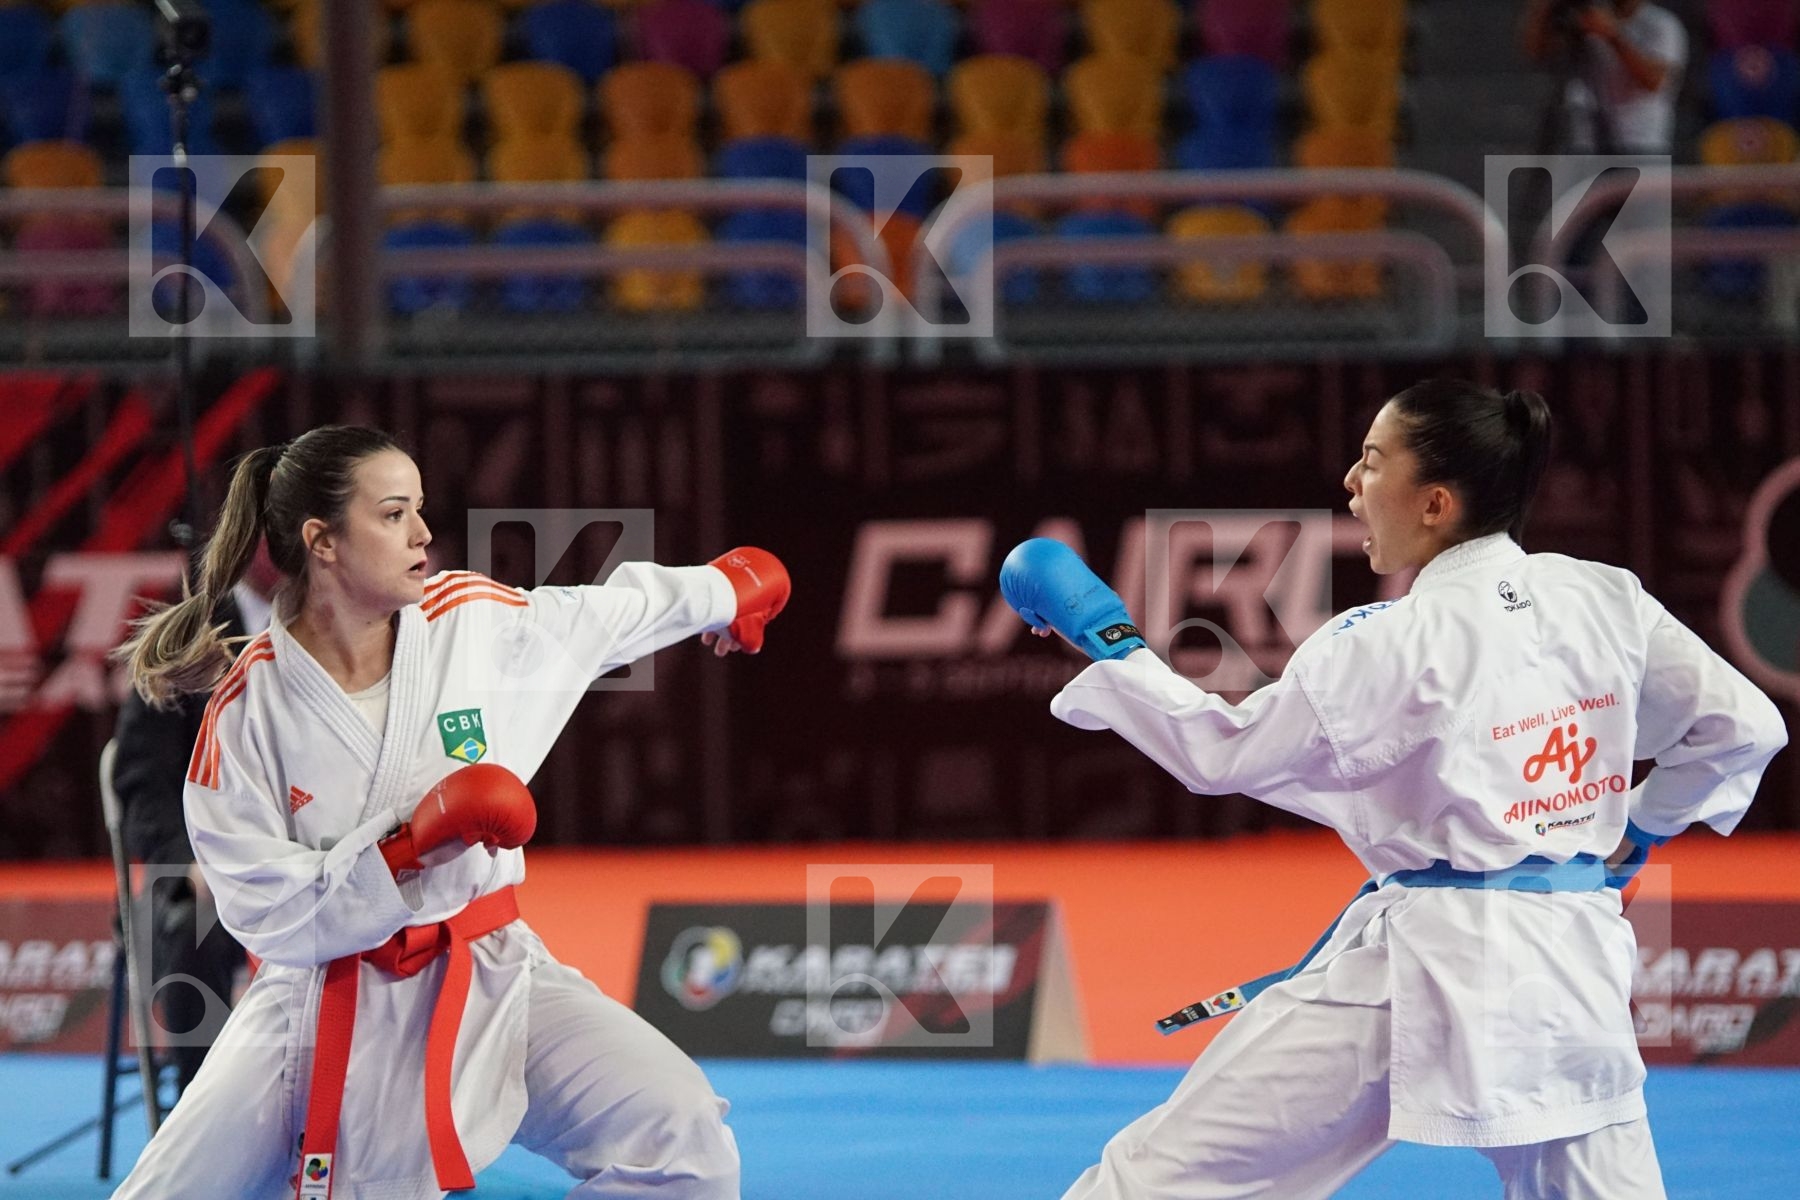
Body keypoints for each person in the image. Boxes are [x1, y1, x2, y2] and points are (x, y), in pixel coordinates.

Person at [1000, 379, 1788, 1199]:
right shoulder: (1605, 597)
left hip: (1423, 975)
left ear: (1435, 503)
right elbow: (1745, 728)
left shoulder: (1389, 640)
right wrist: (1638, 834)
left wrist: (1107, 639)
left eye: (1373, 462)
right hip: (1573, 970)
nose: (1350, 481)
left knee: (1157, 1180)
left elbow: (1222, 754)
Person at [109, 425, 786, 1200]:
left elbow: (602, 615)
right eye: (394, 513)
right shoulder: (247, 709)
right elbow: (260, 910)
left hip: (492, 966)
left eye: (420, 510)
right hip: (322, 1001)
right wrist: (404, 851)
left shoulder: (468, 622)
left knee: (683, 1138)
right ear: (322, 540)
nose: (423, 533)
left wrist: (729, 589)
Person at [111, 542, 277, 1097]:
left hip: (308, 857)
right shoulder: (190, 636)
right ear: (244, 538)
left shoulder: (342, 630)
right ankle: (204, 1108)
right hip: (204, 871)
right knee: (193, 920)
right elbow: (142, 780)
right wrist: (190, 861)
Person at [1523, 0, 1688, 156]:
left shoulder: (1663, 24)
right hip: (1588, 144)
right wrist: (1544, 8)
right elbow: (1537, 52)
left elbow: (1654, 82)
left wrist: (1612, 36)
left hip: (1641, 144)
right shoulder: (1586, 19)